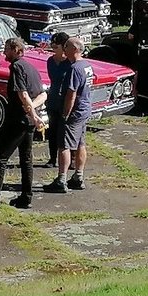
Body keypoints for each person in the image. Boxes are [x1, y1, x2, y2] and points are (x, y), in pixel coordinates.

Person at [0, 37, 44, 210]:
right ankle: (26, 197)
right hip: (28, 121)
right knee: (26, 159)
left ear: (15, 50)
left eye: (7, 49)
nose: (4, 52)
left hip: (18, 121)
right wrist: (33, 114)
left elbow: (23, 94)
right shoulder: (30, 67)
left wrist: (31, 113)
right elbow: (43, 95)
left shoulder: (17, 67)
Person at [46, 37, 94, 193]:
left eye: (67, 46)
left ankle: (61, 179)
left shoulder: (74, 69)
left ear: (75, 49)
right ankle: (78, 176)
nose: (64, 48)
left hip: (74, 112)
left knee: (64, 145)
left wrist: (65, 114)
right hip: (84, 110)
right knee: (80, 143)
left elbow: (71, 94)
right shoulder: (86, 65)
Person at [41, 32, 70, 168]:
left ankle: (70, 159)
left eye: (56, 46)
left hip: (65, 100)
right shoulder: (50, 61)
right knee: (52, 131)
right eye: (52, 46)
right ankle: (52, 159)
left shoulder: (70, 63)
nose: (53, 49)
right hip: (53, 99)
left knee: (66, 131)